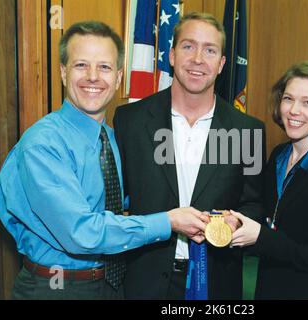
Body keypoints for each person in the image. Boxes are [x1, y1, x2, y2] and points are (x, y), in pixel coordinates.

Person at [0, 21, 208, 300]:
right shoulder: (43, 145)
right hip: (57, 288)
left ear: (118, 77)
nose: (93, 77)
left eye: (104, 67)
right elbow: (81, 232)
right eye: (81, 65)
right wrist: (167, 221)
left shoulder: (113, 138)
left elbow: (123, 201)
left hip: (112, 284)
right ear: (63, 71)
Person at [113, 12, 265, 300]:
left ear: (221, 64)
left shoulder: (248, 130)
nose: (198, 58)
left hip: (217, 281)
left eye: (209, 50)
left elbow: (255, 205)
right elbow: (117, 202)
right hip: (144, 281)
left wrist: (236, 223)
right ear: (171, 55)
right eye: (188, 46)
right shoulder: (129, 121)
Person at [231, 61, 308, 299]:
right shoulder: (279, 154)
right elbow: (268, 217)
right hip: (267, 285)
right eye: (288, 99)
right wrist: (236, 221)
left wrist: (261, 237)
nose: (294, 110)